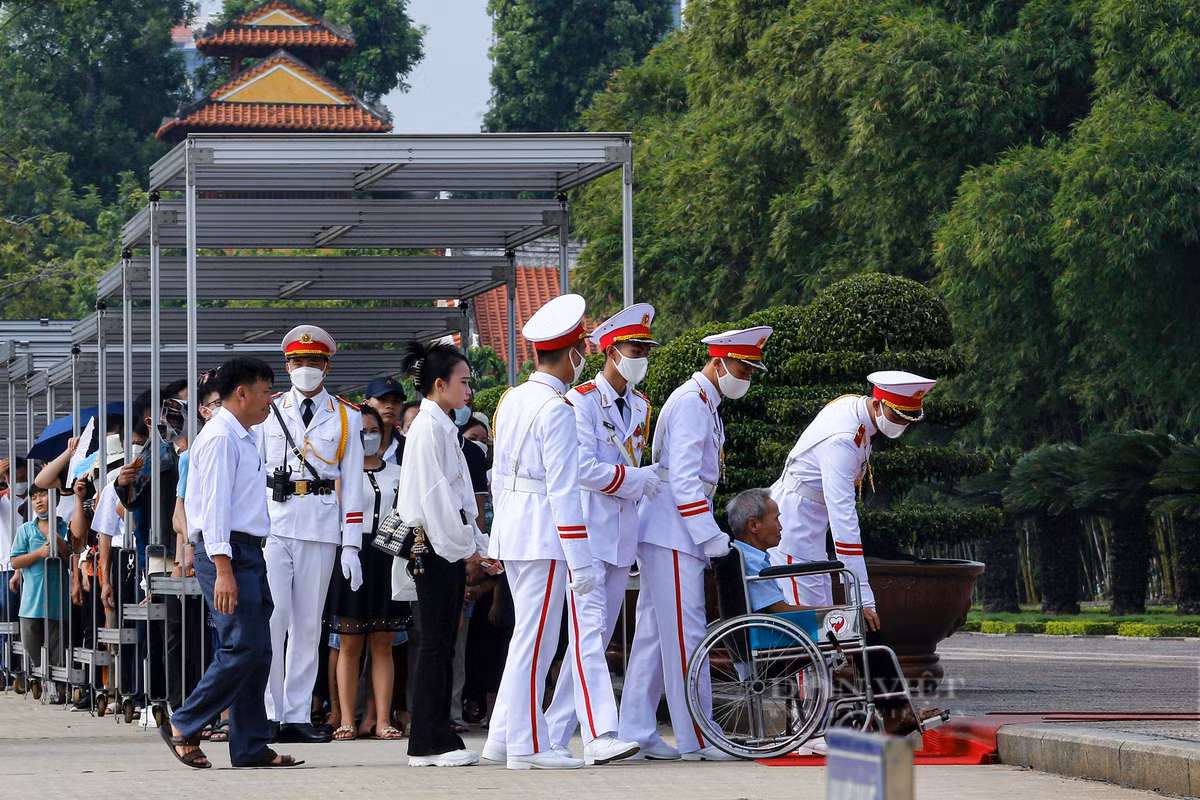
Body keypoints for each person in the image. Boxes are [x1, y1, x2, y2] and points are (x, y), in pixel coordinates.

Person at [618, 326, 773, 762]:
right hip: (674, 529)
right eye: (743, 367)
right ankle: (699, 737)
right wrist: (711, 538)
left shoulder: (705, 401)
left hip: (671, 528)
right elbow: (686, 482)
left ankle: (636, 731)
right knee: (687, 635)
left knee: (654, 636)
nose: (747, 376)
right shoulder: (692, 402)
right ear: (719, 361)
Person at [161, 356, 302, 770]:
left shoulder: (243, 434)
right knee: (242, 646)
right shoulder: (221, 437)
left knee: (258, 650)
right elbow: (215, 509)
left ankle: (250, 745)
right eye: (265, 392)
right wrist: (223, 568)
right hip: (228, 552)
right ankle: (185, 722)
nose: (270, 400)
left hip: (247, 551)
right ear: (241, 393)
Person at [544, 303, 664, 763]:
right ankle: (600, 733)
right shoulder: (582, 401)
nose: (641, 357)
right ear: (611, 351)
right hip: (588, 534)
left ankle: (552, 734)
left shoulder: (641, 405)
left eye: (645, 350)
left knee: (590, 639)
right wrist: (635, 479)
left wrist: (637, 481)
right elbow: (581, 467)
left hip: (621, 537)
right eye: (635, 349)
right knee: (589, 637)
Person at [482, 294, 598, 771]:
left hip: (515, 529)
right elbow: (563, 490)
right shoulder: (556, 408)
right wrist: (580, 559)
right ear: (571, 352)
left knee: (526, 638)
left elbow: (496, 475)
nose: (584, 358)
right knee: (537, 642)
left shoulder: (512, 398)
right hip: (542, 533)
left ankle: (502, 737)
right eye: (582, 350)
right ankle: (528, 745)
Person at [259, 325, 364, 744]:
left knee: (307, 625)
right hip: (272, 523)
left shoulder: (346, 415)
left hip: (320, 526)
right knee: (274, 619)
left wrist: (352, 544)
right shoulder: (269, 410)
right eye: (298, 362)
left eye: (314, 362)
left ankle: (297, 715)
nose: (306, 368)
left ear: (327, 367)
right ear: (287, 367)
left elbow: (352, 483)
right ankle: (270, 712)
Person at [393, 341, 495, 767]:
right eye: (463, 382)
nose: (469, 390)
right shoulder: (427, 428)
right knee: (435, 644)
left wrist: (479, 545)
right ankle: (426, 742)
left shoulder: (442, 425)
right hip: (434, 546)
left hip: (447, 545)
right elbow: (435, 500)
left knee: (443, 644)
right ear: (440, 384)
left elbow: (460, 498)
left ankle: (438, 735)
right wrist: (468, 547)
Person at [766, 371, 937, 624]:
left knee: (822, 613)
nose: (901, 424)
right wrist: (862, 596)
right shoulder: (843, 440)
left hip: (809, 521)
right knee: (807, 621)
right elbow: (844, 521)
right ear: (877, 404)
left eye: (907, 419)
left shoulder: (856, 409)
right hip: (793, 526)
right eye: (896, 416)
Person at [326, 404, 409, 741]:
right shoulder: (339, 474)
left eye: (373, 431)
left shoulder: (398, 472)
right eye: (361, 432)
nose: (368, 437)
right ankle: (347, 718)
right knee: (349, 641)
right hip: (351, 552)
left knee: (383, 641)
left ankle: (382, 718)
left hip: (387, 554)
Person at [9, 486, 72, 689]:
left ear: (55, 498)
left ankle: (58, 687)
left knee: (58, 649)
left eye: (43, 495)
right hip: (30, 603)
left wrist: (60, 543)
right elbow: (15, 561)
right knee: (32, 647)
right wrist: (39, 554)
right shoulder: (26, 529)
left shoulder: (65, 527)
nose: (38, 500)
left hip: (57, 603)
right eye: (34, 497)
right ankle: (38, 680)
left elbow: (72, 559)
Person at [1, 456, 29, 624]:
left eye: (23, 478)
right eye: (16, 480)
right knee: (7, 615)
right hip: (7, 566)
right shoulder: (2, 500)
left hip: (32, 564)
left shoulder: (34, 498)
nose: (20, 483)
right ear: (5, 479)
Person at [364, 376, 407, 465]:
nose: (390, 406)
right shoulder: (349, 445)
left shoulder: (408, 447)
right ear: (366, 403)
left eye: (396, 401)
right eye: (382, 399)